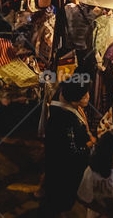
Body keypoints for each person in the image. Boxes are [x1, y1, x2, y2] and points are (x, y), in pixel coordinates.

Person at [43, 79, 94, 216]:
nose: (88, 96)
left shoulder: (62, 98)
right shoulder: (64, 119)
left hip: (55, 163)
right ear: (73, 101)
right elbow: (73, 153)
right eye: (84, 95)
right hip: (64, 171)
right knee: (60, 199)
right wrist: (89, 145)